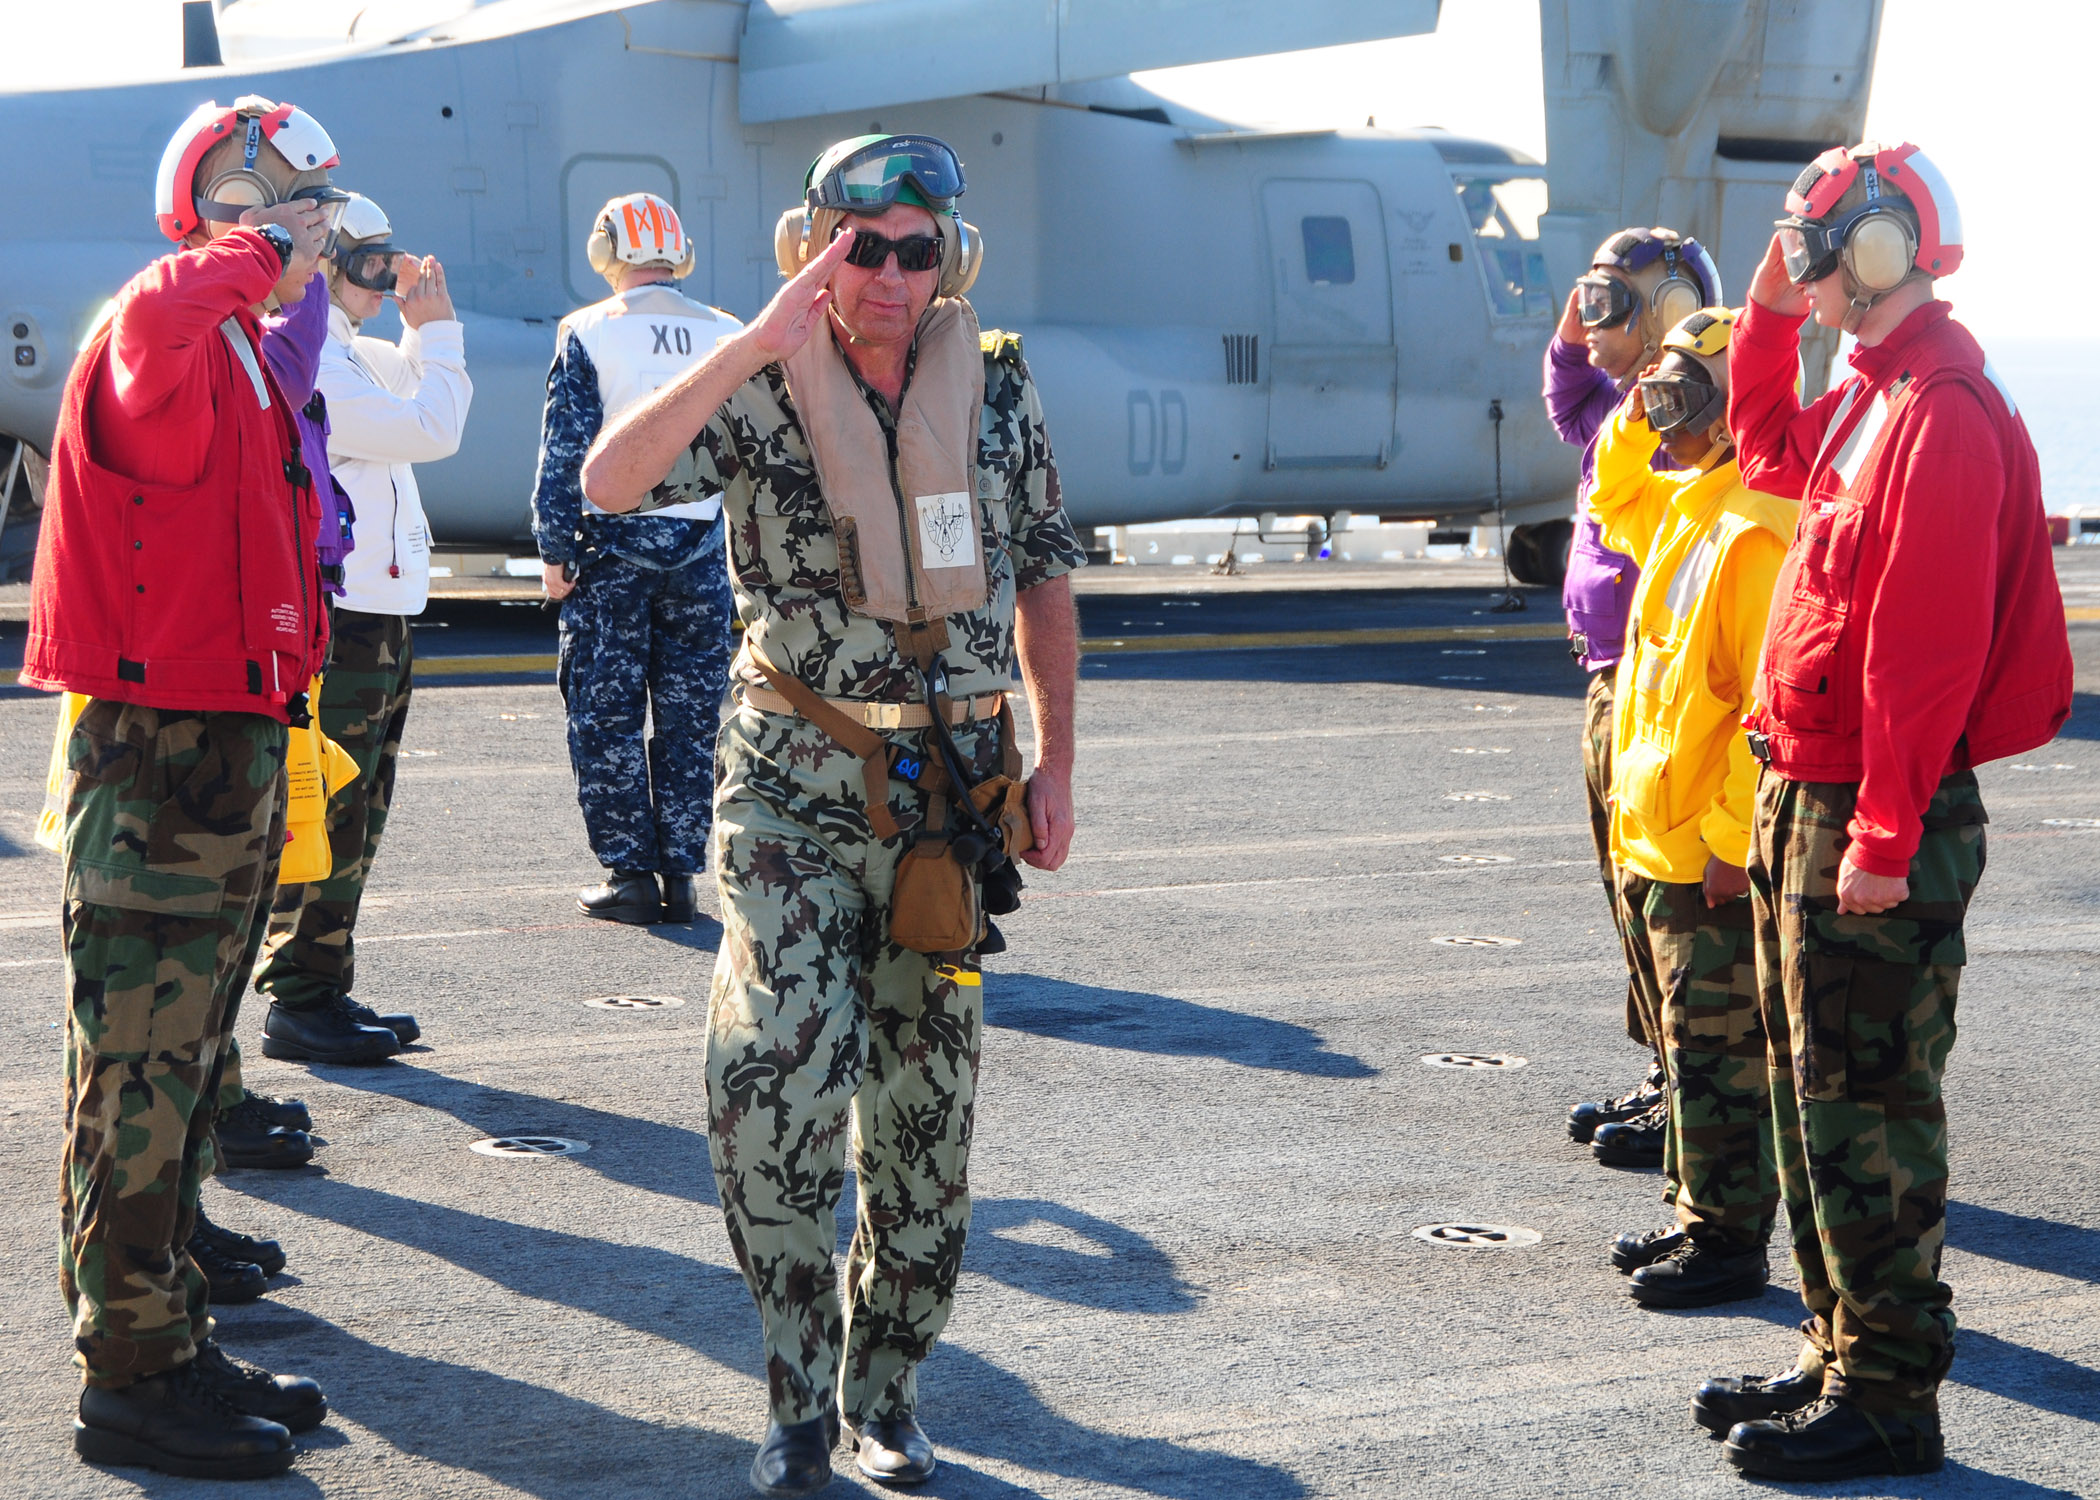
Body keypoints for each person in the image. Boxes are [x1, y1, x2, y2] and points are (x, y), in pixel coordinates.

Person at [579, 133, 1082, 1494]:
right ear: (821, 247)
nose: (893, 277)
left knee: (926, 1118)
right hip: (795, 788)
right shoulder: (763, 389)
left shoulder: (999, 384)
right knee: (775, 1077)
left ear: (950, 259)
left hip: (952, 802)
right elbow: (610, 483)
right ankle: (796, 1396)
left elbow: (1041, 572)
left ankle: (888, 1395)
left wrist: (1057, 764)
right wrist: (749, 345)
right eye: (866, 248)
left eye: (920, 250)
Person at [1691, 142, 2071, 1480]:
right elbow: (1762, 446)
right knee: (1815, 1100)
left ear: (1880, 249)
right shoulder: (1869, 397)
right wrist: (1768, 323)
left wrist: (1886, 835)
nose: (1796, 260)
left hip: (1869, 806)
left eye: (1815, 241)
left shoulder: (1943, 410)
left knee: (1868, 1108)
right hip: (1810, 791)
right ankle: (1836, 1347)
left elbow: (1923, 649)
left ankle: (1893, 1398)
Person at [25, 94, 342, 1480]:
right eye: (291, 196)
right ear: (224, 203)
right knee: (139, 1080)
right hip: (161, 761)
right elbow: (169, 298)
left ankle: (166, 1330)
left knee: (187, 1061)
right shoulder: (160, 323)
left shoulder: (234, 348)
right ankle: (132, 1380)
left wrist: (283, 262)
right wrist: (257, 236)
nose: (317, 222)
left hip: (223, 747)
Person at [1582, 307, 1793, 1310]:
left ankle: (1727, 1247)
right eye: (1651, 395)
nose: (1659, 415)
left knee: (1718, 1057)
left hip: (1700, 850)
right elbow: (1610, 491)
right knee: (1689, 1049)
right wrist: (1641, 400)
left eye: (1679, 397)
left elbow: (1768, 711)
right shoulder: (1686, 501)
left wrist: (1725, 845)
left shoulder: (1752, 526)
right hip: (1655, 837)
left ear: (1731, 405)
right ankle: (1697, 1216)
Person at [251, 193, 471, 1064]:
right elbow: (434, 426)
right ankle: (299, 996)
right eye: (370, 265)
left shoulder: (356, 350)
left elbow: (413, 393)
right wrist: (442, 329)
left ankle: (320, 981)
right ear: (328, 264)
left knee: (360, 815)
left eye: (391, 262)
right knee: (329, 811)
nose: (387, 281)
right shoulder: (321, 361)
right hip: (341, 621)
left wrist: (419, 330)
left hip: (377, 616)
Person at [1546, 227, 1723, 1168]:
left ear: (1663, 311)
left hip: (1654, 682)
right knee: (1629, 891)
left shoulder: (1683, 416)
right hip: (1608, 674)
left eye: (1613, 305)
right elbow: (1566, 395)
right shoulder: (1620, 404)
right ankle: (1665, 1068)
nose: (1590, 324)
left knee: (1665, 893)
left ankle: (1691, 1089)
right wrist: (1579, 331)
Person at [531, 192, 741, 925]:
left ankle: (629, 876)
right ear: (677, 252)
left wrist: (555, 550)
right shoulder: (727, 331)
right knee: (690, 715)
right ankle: (683, 875)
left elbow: (566, 453)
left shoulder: (588, 330)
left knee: (605, 710)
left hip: (611, 548)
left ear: (607, 252)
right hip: (702, 552)